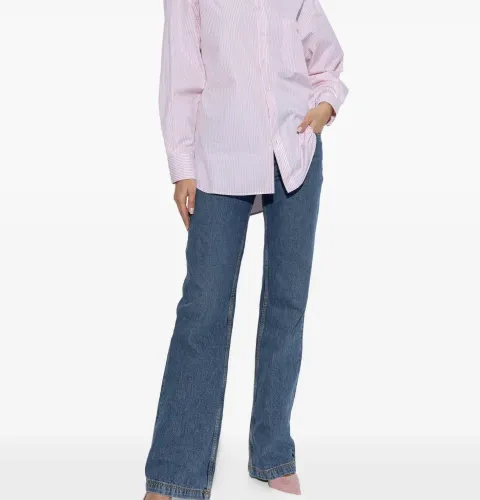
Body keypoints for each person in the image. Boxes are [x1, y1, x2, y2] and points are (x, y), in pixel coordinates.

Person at [144, 0, 348, 498]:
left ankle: (272, 452)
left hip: (295, 150)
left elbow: (324, 56)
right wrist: (182, 166)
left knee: (287, 303)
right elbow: (180, 75)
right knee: (204, 306)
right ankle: (174, 473)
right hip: (220, 155)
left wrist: (324, 106)